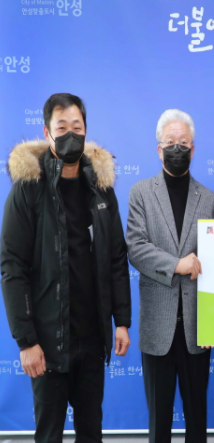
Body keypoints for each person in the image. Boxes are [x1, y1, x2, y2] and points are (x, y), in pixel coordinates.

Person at [1, 92, 131, 443]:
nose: (70, 134)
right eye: (62, 127)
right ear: (47, 133)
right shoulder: (29, 189)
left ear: (86, 131)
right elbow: (12, 268)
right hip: (47, 344)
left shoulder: (101, 190)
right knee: (49, 435)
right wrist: (26, 341)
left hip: (92, 340)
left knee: (91, 433)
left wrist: (121, 320)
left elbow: (116, 258)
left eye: (77, 126)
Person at [126, 109, 214, 443]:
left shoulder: (209, 199)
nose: (176, 148)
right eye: (170, 142)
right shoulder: (140, 192)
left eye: (183, 142)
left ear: (193, 149)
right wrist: (177, 264)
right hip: (158, 327)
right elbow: (136, 248)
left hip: (197, 330)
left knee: (197, 422)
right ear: (159, 149)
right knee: (159, 424)